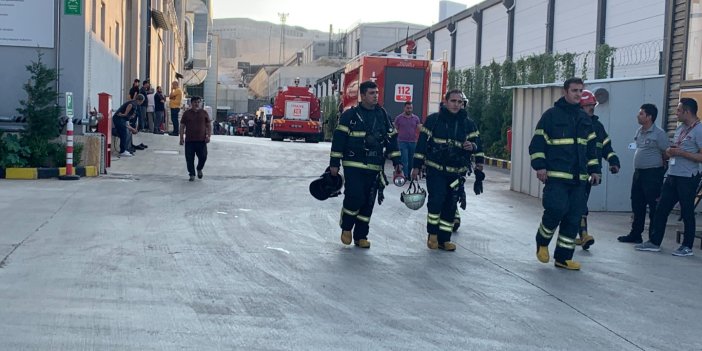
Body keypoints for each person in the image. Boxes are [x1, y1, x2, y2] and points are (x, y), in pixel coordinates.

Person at [528, 77, 600, 270]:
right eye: (574, 90)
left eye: (580, 91)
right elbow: (537, 144)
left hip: (579, 180)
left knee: (573, 217)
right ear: (565, 92)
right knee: (556, 210)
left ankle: (563, 258)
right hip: (556, 177)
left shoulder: (585, 119)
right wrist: (540, 166)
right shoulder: (551, 116)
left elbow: (591, 148)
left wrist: (594, 170)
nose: (578, 94)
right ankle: (542, 242)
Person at [329, 80, 402, 249]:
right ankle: (346, 227)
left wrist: (398, 162)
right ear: (362, 95)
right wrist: (334, 164)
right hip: (353, 164)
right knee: (355, 197)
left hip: (375, 166)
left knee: (368, 202)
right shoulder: (350, 116)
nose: (375, 96)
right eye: (371, 93)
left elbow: (392, 140)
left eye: (376, 93)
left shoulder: (383, 116)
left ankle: (361, 236)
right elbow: (339, 141)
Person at [411, 89, 483, 251]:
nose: (457, 105)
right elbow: (422, 144)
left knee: (451, 204)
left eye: (460, 102)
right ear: (445, 102)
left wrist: (474, 149)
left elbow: (478, 145)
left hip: (456, 172)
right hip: (435, 170)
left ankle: (444, 239)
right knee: (437, 200)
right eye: (453, 101)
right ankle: (433, 235)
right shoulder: (433, 121)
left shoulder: (468, 124)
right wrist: (416, 166)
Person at [635, 98, 702, 257]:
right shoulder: (680, 129)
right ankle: (655, 242)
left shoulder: (699, 130)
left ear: (687, 111)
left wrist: (681, 153)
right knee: (661, 209)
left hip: (687, 176)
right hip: (672, 174)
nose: (676, 113)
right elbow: (672, 148)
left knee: (687, 211)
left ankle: (687, 246)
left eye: (678, 110)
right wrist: (669, 152)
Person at [575, 90, 621, 250]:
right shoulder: (575, 123)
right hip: (574, 172)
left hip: (590, 173)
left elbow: (606, 146)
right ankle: (582, 234)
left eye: (593, 105)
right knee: (577, 204)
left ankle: (582, 234)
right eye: (588, 105)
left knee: (580, 203)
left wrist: (613, 161)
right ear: (580, 107)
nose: (592, 108)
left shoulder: (597, 126)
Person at [617, 104, 669, 244]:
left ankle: (653, 238)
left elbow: (666, 153)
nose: (638, 116)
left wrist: (660, 170)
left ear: (649, 117)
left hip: (653, 174)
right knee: (637, 203)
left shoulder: (659, 134)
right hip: (639, 174)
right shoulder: (639, 131)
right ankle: (636, 234)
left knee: (653, 206)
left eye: (641, 113)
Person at [179, 96, 211, 181]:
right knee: (189, 159)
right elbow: (182, 126)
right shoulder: (187, 113)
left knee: (203, 157)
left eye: (198, 102)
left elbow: (208, 125)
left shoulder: (204, 113)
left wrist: (208, 136)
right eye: (195, 102)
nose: (196, 104)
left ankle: (199, 168)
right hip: (190, 140)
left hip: (201, 140)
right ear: (191, 103)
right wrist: (181, 138)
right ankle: (192, 174)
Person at [394, 101, 421, 179]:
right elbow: (395, 129)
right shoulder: (399, 118)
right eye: (408, 108)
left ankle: (409, 174)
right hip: (402, 142)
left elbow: (419, 129)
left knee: (411, 161)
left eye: (411, 108)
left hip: (413, 142)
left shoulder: (416, 118)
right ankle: (405, 176)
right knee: (404, 160)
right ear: (404, 108)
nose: (409, 110)